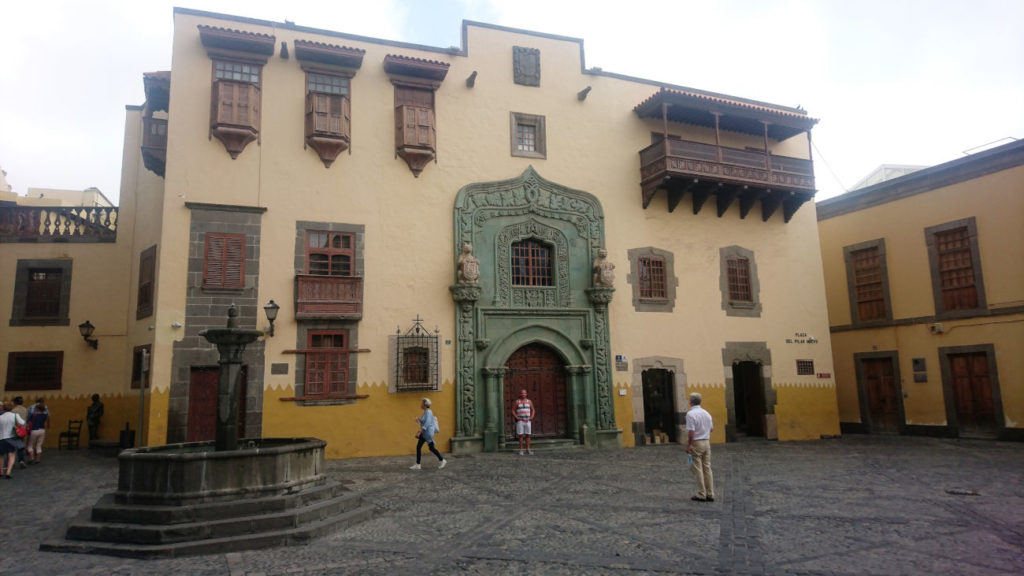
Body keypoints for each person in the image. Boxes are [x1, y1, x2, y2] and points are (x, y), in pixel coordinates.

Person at [685, 392, 715, 502]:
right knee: (707, 468)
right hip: (706, 441)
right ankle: (710, 493)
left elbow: (691, 432)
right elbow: (711, 429)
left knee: (698, 469)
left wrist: (688, 445)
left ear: (690, 402)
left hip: (696, 442)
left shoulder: (690, 414)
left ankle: (701, 493)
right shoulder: (706, 413)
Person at [410, 398, 446, 470]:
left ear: (425, 404)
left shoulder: (429, 412)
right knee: (422, 447)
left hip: (427, 433)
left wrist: (420, 432)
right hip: (425, 433)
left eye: (422, 403)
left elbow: (427, 423)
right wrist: (419, 420)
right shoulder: (426, 412)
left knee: (429, 447)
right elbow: (424, 422)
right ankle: (418, 464)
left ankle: (442, 460)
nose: (421, 404)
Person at [0, 402, 27, 478]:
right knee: (11, 455)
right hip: (11, 438)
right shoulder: (15, 416)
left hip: (1, 438)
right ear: (11, 408)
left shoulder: (0, 417)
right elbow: (22, 423)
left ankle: (1, 471)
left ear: (3, 408)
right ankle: (8, 471)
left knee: (1, 456)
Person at [26, 398, 49, 464]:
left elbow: (28, 422)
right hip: (42, 430)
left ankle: (32, 457)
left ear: (37, 408)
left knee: (30, 445)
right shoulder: (44, 415)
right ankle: (38, 459)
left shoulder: (33, 415)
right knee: (39, 445)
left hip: (34, 430)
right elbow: (47, 419)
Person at [513, 389, 535, 455]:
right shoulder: (517, 402)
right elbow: (513, 410)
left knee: (528, 435)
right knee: (521, 435)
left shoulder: (529, 401)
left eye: (524, 393)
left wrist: (532, 416)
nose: (523, 394)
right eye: (522, 393)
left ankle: (528, 449)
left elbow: (533, 409)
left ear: (526, 394)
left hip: (528, 420)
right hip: (520, 421)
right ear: (520, 394)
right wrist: (516, 417)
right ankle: (521, 450)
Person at [11, 397, 28, 469]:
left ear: (15, 402)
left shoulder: (13, 411)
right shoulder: (25, 410)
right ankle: (21, 460)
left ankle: (12, 462)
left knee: (13, 446)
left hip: (15, 430)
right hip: (23, 429)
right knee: (20, 445)